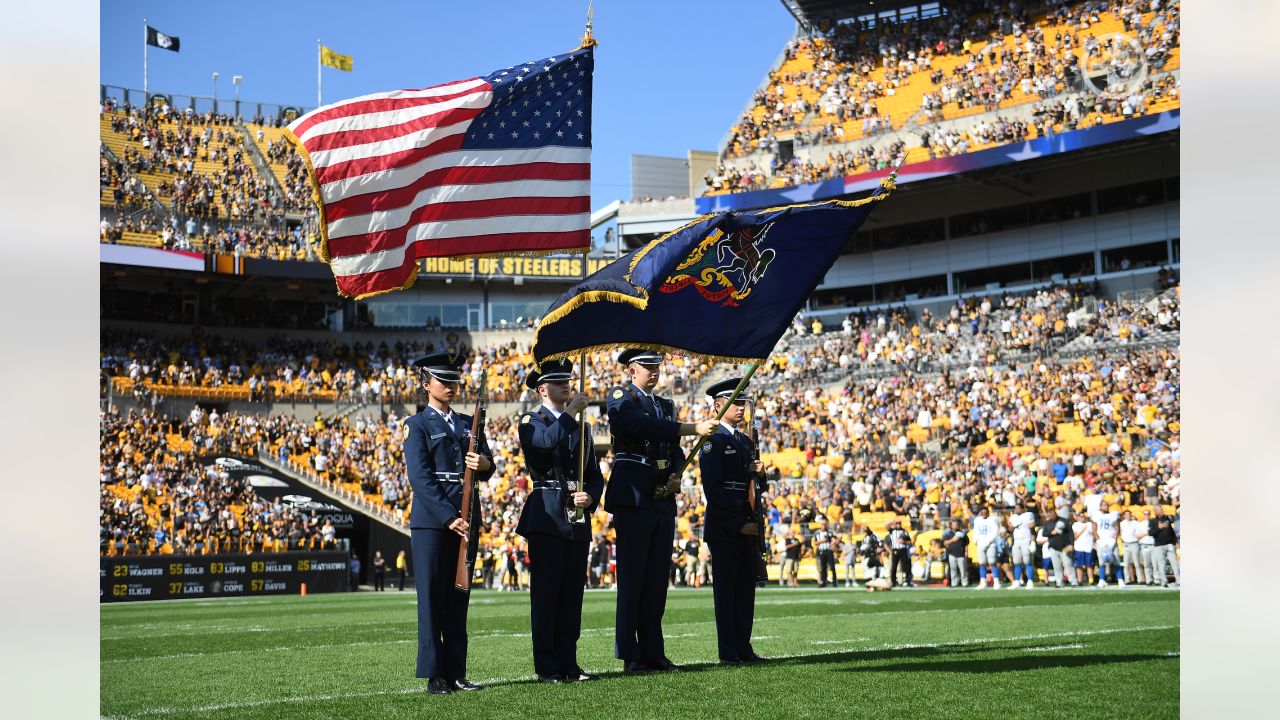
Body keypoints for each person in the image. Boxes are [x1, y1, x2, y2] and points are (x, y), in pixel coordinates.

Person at [605, 349, 716, 675]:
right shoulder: (620, 396)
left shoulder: (665, 405)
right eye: (646, 367)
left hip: (660, 496)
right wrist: (690, 427)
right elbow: (635, 425)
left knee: (656, 580)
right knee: (633, 578)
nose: (653, 372)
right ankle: (630, 654)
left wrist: (676, 473)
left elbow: (675, 450)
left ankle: (654, 652)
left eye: (656, 366)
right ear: (631, 370)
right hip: (635, 494)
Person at [404, 352, 494, 695]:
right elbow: (421, 478)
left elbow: (488, 468)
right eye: (444, 381)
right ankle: (435, 674)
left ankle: (457, 671)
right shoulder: (417, 425)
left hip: (467, 518)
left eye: (455, 381)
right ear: (427, 384)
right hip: (433, 522)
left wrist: (484, 463)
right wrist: (448, 516)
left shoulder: (469, 422)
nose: (451, 386)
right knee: (431, 598)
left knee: (460, 597)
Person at [515, 359, 604, 683]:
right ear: (542, 389)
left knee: (571, 596)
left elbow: (593, 474)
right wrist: (571, 413)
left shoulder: (582, 427)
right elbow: (543, 443)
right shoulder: (531, 420)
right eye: (558, 382)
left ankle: (569, 663)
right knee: (547, 595)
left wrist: (591, 496)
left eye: (567, 380)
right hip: (547, 513)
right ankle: (547, 666)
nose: (566, 385)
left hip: (576, 516)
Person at [698, 377, 769, 665]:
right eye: (735, 402)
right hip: (726, 526)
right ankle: (728, 651)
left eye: (742, 402)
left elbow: (755, 488)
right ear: (719, 405)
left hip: (747, 522)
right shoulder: (712, 439)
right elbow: (713, 489)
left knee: (745, 591)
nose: (741, 408)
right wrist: (737, 523)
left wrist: (761, 474)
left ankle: (743, 646)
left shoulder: (744, 440)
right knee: (726, 591)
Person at [1147, 505, 1180, 586]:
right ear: (1156, 511)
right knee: (1161, 564)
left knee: (1174, 563)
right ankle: (1164, 581)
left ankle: (1179, 580)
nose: (1162, 510)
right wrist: (1159, 527)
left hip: (1169, 544)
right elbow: (1150, 533)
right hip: (1159, 546)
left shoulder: (1167, 519)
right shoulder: (1152, 521)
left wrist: (1175, 542)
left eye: (1162, 509)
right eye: (1160, 509)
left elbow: (1171, 531)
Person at [1093, 501, 1123, 587]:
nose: (1105, 507)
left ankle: (1120, 580)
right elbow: (1094, 529)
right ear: (1100, 506)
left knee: (1116, 560)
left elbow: (1118, 527)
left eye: (1106, 505)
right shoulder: (1096, 515)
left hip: (1111, 541)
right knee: (1101, 562)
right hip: (1101, 541)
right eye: (1103, 505)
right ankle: (1101, 580)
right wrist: (1098, 540)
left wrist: (1114, 539)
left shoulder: (1113, 515)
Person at [1009, 502, 1037, 588]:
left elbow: (1032, 526)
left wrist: (1033, 542)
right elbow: (1010, 528)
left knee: (1028, 562)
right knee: (1017, 562)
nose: (1016, 510)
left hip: (1026, 540)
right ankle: (1017, 581)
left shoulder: (1028, 515)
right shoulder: (1014, 517)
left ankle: (1030, 581)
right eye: (1015, 508)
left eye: (1018, 508)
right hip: (1016, 541)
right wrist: (1014, 524)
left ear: (1022, 508)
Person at [972, 506, 1001, 588]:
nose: (984, 514)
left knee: (992, 562)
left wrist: (989, 541)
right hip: (981, 543)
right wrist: (976, 540)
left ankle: (996, 582)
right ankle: (983, 582)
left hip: (990, 544)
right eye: (982, 513)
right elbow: (976, 531)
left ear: (988, 512)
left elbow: (996, 531)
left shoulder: (992, 519)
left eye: (985, 512)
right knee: (982, 563)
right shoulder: (977, 520)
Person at [1119, 509, 1145, 585]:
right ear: (1124, 516)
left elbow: (1138, 532)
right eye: (1126, 514)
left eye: (1129, 514)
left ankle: (1140, 579)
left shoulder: (1135, 523)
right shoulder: (1122, 523)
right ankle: (1127, 579)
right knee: (1126, 563)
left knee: (1137, 562)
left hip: (1134, 543)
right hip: (1126, 544)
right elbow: (1120, 533)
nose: (1128, 516)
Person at [812, 517, 837, 588]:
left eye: (825, 524)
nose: (824, 526)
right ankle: (823, 581)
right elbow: (815, 543)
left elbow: (835, 541)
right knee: (823, 568)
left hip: (829, 551)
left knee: (832, 567)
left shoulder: (830, 532)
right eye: (823, 524)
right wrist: (822, 541)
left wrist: (834, 543)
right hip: (821, 551)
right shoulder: (817, 533)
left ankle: (834, 581)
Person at [943, 518, 969, 588]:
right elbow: (945, 543)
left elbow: (966, 543)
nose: (956, 525)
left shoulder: (963, 533)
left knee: (963, 569)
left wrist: (966, 552)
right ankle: (954, 583)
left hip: (961, 553)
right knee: (953, 569)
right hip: (952, 553)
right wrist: (953, 540)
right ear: (951, 525)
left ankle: (964, 583)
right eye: (954, 524)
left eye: (957, 524)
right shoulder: (948, 533)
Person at [887, 520, 913, 587]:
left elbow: (910, 542)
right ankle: (893, 582)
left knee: (905, 566)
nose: (898, 525)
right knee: (894, 566)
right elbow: (886, 526)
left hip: (903, 549)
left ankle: (907, 581)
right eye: (897, 523)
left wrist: (904, 542)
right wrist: (892, 522)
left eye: (899, 523)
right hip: (895, 550)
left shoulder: (904, 531)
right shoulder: (892, 531)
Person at [1073, 514, 1097, 586]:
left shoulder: (1089, 524)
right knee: (1079, 565)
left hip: (1088, 547)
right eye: (1080, 516)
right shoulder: (1075, 525)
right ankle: (1080, 580)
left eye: (1083, 516)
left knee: (1089, 565)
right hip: (1079, 547)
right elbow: (1076, 536)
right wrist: (1083, 529)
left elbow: (1093, 533)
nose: (1082, 518)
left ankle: (1091, 580)